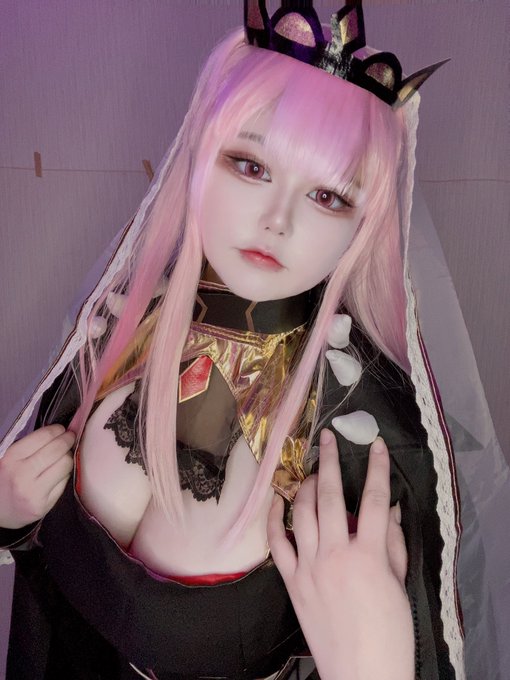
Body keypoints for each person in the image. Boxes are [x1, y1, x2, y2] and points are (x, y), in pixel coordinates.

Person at [0, 2, 464, 679]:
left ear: (366, 224)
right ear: (198, 155)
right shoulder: (122, 328)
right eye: (249, 165)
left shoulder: (362, 430)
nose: (276, 220)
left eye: (328, 196)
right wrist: (11, 515)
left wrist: (374, 664)